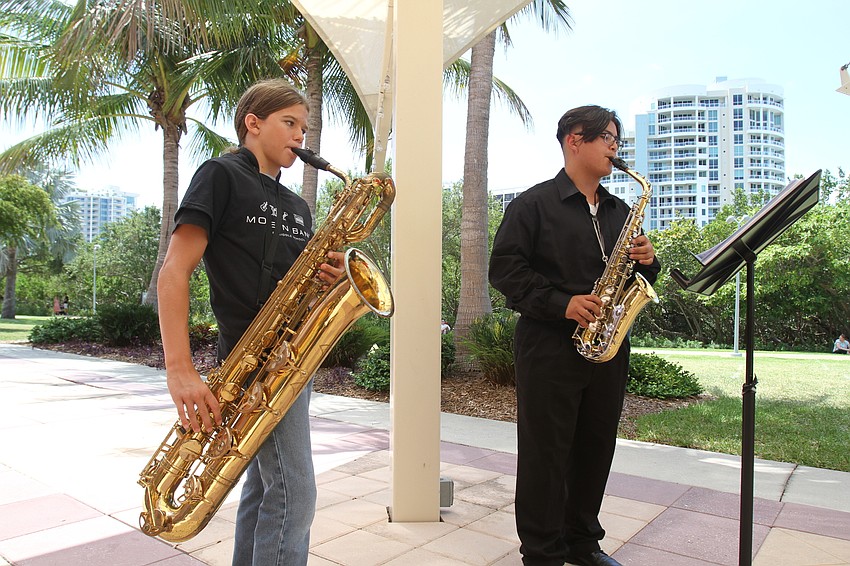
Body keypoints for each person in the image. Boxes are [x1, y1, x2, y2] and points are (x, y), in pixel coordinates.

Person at [157, 78, 344, 566]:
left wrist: (328, 277)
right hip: (249, 361)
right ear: (253, 123)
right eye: (289, 123)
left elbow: (295, 288)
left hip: (292, 358)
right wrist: (179, 369)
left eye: (304, 128)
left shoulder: (299, 207)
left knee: (265, 490)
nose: (301, 137)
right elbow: (174, 271)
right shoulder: (220, 175)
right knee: (295, 492)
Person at [489, 105, 661, 566]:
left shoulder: (621, 210)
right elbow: (504, 270)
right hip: (549, 347)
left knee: (595, 448)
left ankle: (583, 543)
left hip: (607, 348)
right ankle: (542, 552)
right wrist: (562, 303)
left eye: (617, 140)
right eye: (606, 137)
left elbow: (640, 275)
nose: (614, 148)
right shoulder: (532, 204)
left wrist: (648, 259)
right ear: (574, 141)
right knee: (545, 454)